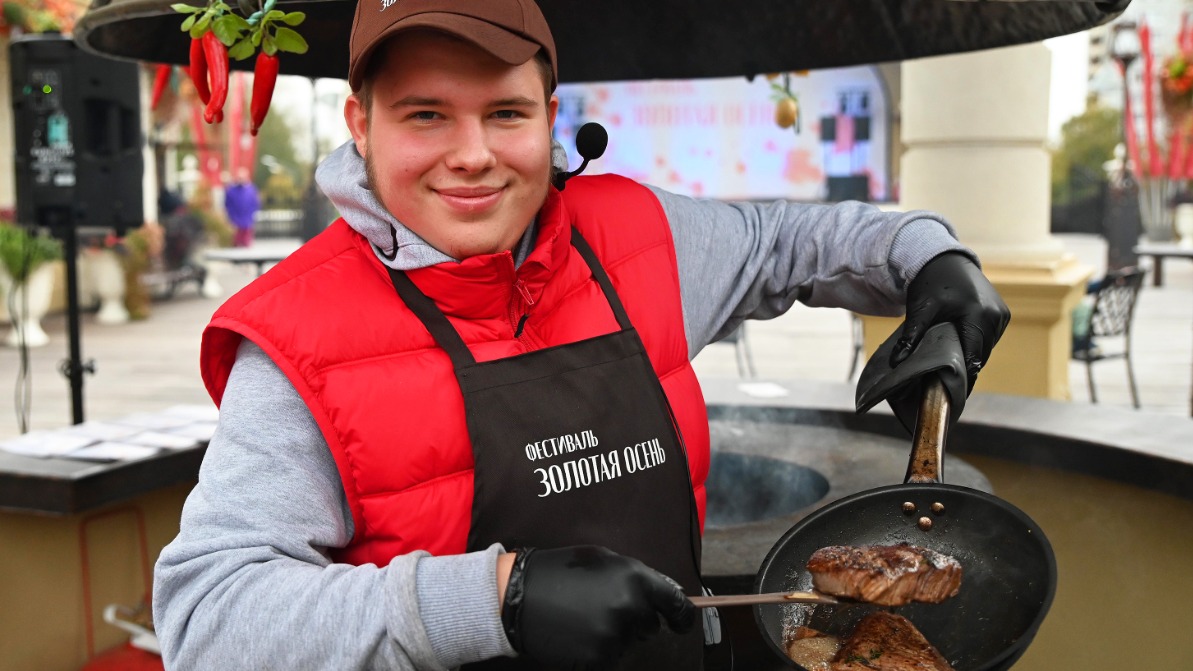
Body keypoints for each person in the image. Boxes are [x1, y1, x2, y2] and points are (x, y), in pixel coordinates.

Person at [153, 1, 1011, 668]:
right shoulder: (295, 337)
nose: (472, 154)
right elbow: (209, 620)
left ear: (548, 116)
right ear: (359, 124)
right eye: (425, 115)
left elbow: (792, 240)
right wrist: (495, 597)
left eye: (505, 113)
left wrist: (930, 259)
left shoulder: (638, 235)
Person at [223, 166, 261, 247]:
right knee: (236, 241)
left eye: (242, 177)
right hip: (235, 219)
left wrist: (252, 215)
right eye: (239, 177)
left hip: (247, 218)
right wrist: (231, 215)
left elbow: (256, 203)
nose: (241, 179)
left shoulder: (251, 189)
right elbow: (227, 204)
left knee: (246, 241)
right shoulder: (231, 190)